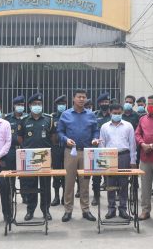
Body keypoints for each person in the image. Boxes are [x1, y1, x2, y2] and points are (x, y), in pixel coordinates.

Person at [57, 88, 99, 222]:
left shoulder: (91, 115)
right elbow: (60, 132)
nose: (82, 99)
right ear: (74, 98)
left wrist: (95, 139)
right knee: (69, 182)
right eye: (79, 97)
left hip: (87, 152)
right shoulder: (65, 114)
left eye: (84, 97)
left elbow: (95, 131)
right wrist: (65, 139)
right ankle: (68, 210)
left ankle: (85, 210)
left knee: (85, 183)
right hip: (70, 152)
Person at [18, 93, 55, 221]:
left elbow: (53, 138)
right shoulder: (24, 120)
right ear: (29, 106)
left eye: (39, 104)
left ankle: (46, 210)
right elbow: (20, 138)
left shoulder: (49, 120)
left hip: (45, 157)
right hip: (30, 158)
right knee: (31, 186)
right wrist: (26, 148)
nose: (37, 106)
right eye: (34, 104)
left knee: (45, 186)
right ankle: (30, 210)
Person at [100, 104, 137, 219]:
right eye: (114, 113)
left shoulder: (128, 126)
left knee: (123, 183)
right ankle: (111, 208)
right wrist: (102, 161)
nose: (117, 115)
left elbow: (132, 144)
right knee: (110, 183)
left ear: (122, 113)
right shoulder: (104, 126)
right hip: (109, 156)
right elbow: (102, 144)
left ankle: (123, 208)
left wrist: (133, 160)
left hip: (124, 156)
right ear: (110, 113)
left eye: (119, 113)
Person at [5, 95, 29, 203]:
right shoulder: (7, 118)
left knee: (24, 175)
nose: (20, 107)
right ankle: (10, 196)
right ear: (14, 106)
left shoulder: (27, 117)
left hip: (24, 150)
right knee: (11, 175)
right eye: (18, 105)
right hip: (11, 150)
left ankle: (25, 196)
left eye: (22, 105)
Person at [92, 92, 111, 206]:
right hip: (97, 149)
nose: (105, 104)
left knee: (111, 175)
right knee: (96, 176)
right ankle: (96, 196)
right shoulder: (94, 115)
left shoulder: (112, 115)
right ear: (99, 103)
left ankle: (113, 196)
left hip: (110, 149)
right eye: (103, 102)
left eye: (107, 102)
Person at [51, 95, 67, 206]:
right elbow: (50, 133)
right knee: (56, 173)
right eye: (60, 104)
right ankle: (56, 196)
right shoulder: (52, 118)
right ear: (56, 105)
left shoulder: (69, 116)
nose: (62, 106)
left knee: (67, 173)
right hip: (56, 148)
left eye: (63, 104)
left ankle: (64, 196)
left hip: (67, 148)